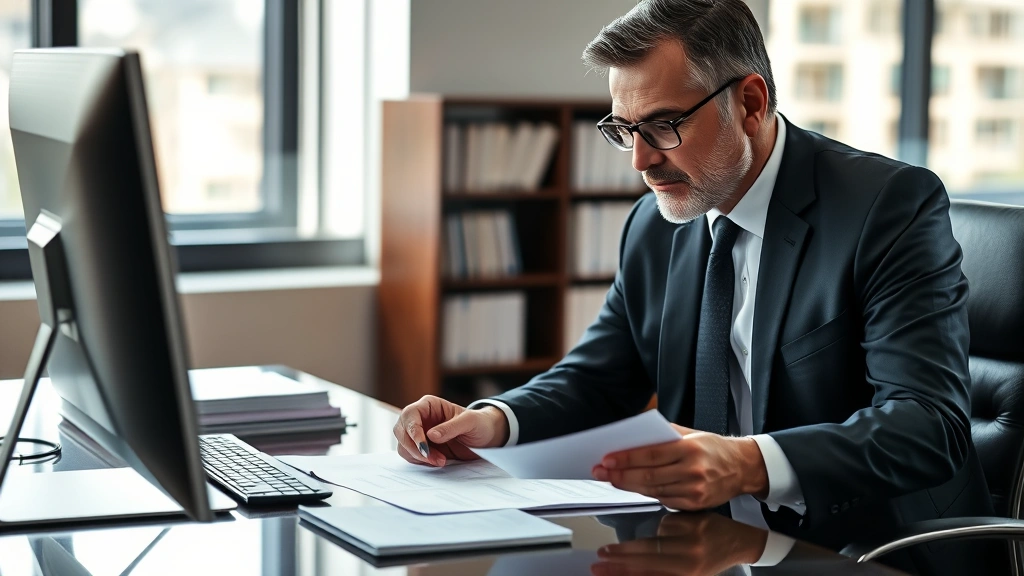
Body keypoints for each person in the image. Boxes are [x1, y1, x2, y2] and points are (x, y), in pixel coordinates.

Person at [393, 0, 994, 571]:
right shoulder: (655, 225)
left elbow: (927, 423)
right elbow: (598, 377)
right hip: (706, 547)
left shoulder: (887, 208)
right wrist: (494, 422)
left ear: (751, 104)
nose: (640, 162)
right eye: (623, 129)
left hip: (867, 551)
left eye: (661, 126)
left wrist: (746, 463)